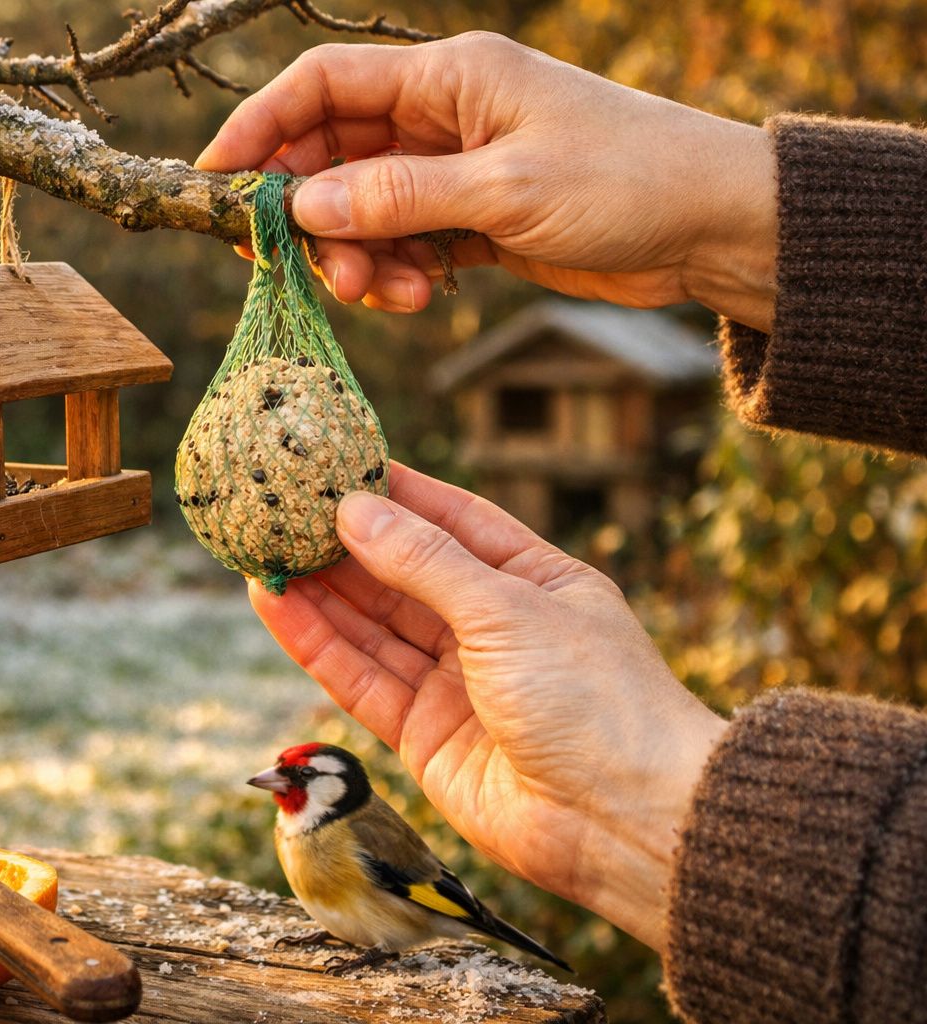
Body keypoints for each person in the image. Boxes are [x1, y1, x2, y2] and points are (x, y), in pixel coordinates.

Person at [196, 32, 927, 1024]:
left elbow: (422, 893)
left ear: (327, 789)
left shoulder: (346, 837)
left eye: (294, 777)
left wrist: (639, 808)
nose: (280, 785)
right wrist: (725, 217)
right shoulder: (329, 829)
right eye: (288, 776)